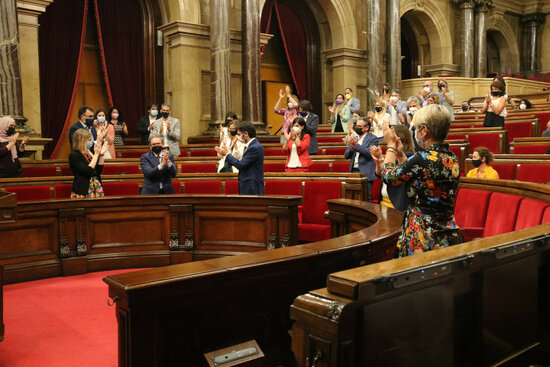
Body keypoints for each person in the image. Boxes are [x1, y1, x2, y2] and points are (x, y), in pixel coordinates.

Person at [381, 104, 463, 257]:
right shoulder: (452, 158)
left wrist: (391, 147)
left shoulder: (421, 159)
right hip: (445, 232)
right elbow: (422, 175)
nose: (416, 132)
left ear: (424, 130)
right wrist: (400, 156)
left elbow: (389, 177)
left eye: (417, 129)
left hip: (422, 236)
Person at [371, 124, 415, 209]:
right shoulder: (392, 154)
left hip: (396, 205)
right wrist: (379, 160)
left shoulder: (409, 156)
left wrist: (391, 147)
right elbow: (380, 174)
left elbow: (391, 176)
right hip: (384, 202)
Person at [215, 121, 264, 195]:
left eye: (239, 134)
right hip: (248, 185)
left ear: (246, 134)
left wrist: (227, 154)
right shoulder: (251, 145)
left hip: (252, 187)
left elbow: (241, 165)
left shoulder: (254, 147)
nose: (237, 137)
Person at [344, 117, 378, 201]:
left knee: (366, 197)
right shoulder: (355, 137)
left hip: (365, 172)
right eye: (356, 126)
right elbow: (346, 155)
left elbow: (369, 153)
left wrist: (356, 146)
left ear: (366, 128)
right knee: (353, 197)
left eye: (359, 126)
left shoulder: (372, 138)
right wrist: (351, 147)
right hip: (354, 171)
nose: (356, 128)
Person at [69, 128, 108, 198]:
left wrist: (101, 155)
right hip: (82, 189)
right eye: (89, 140)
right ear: (81, 141)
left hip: (96, 187)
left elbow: (99, 171)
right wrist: (96, 154)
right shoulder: (74, 155)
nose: (91, 142)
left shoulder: (89, 153)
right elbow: (87, 171)